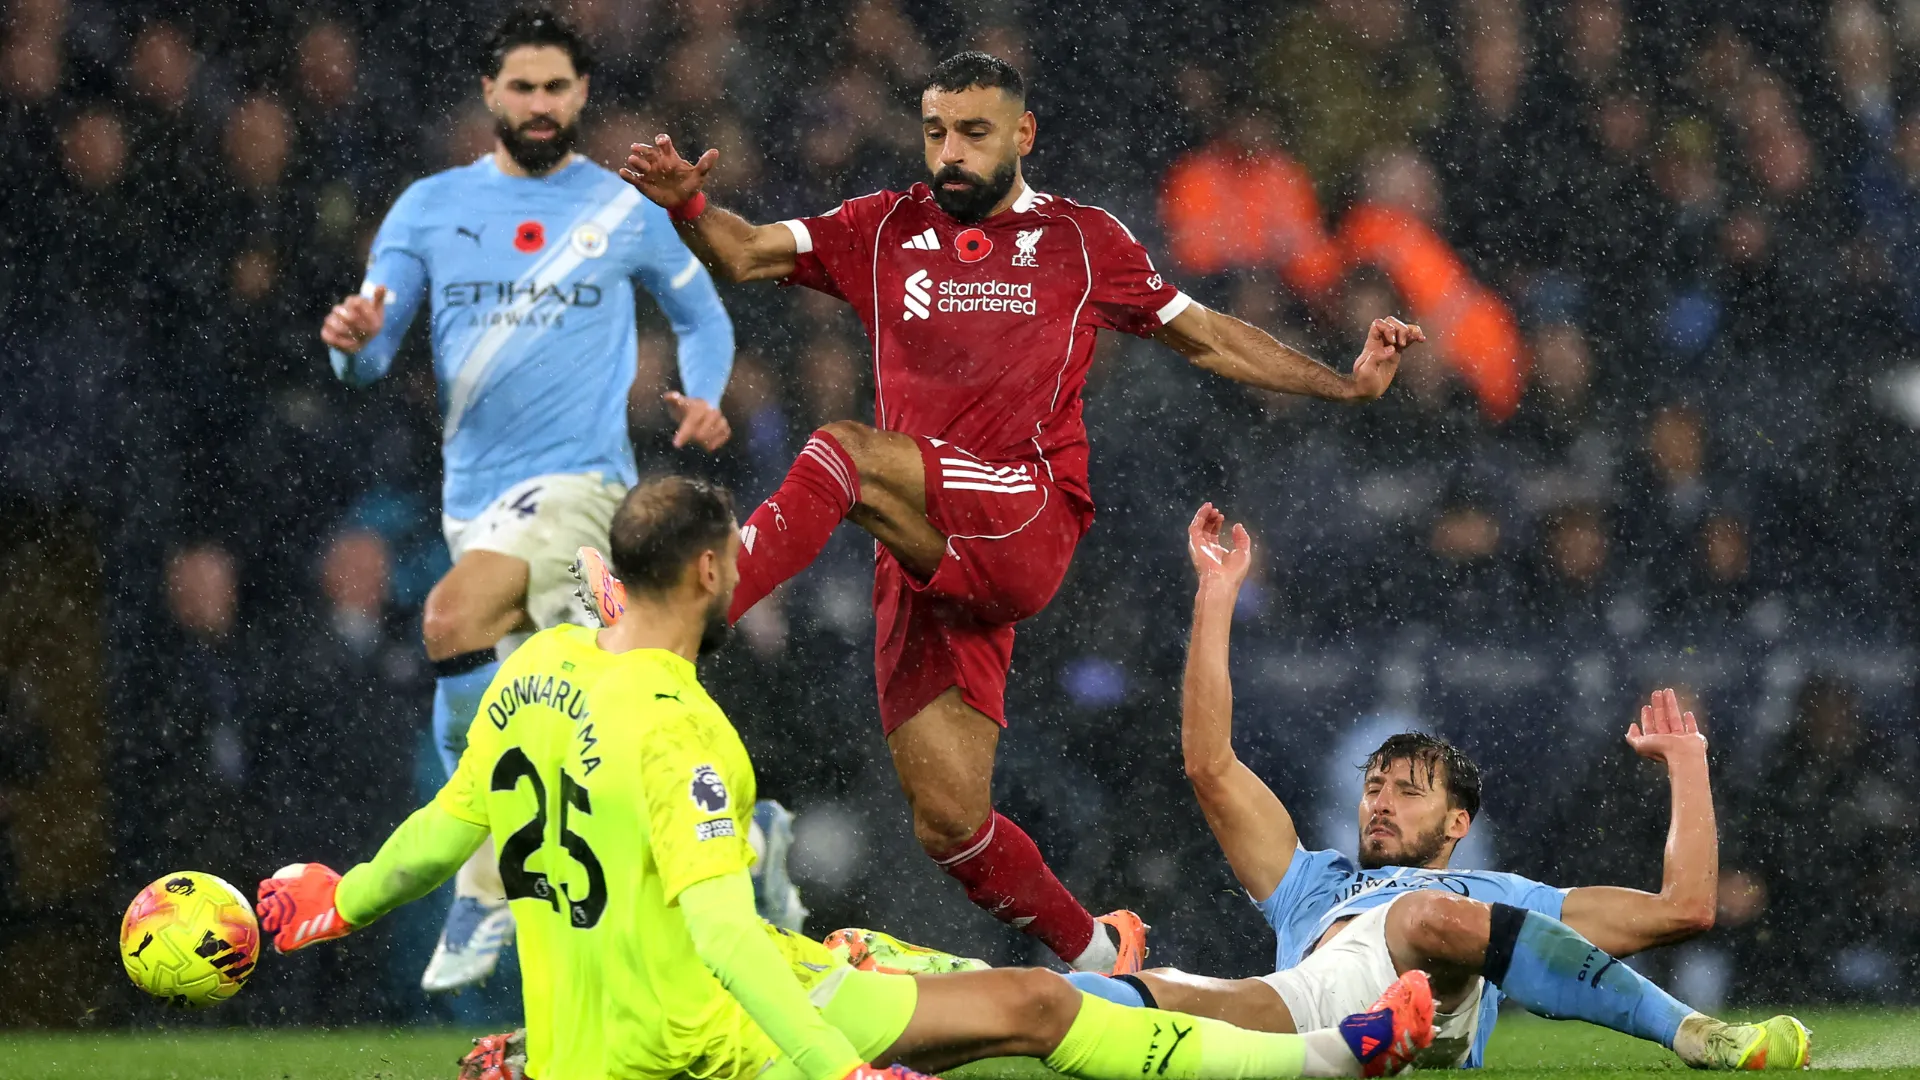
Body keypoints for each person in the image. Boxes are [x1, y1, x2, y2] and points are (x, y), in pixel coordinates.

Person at [615, 50, 1424, 973]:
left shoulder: (1082, 240)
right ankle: (1100, 953)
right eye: (934, 133)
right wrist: (685, 203)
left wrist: (1343, 385)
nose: (949, 153)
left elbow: (1205, 335)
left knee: (840, 448)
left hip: (1024, 514)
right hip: (921, 546)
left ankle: (686, 608)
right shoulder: (881, 227)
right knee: (951, 824)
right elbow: (745, 248)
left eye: (972, 132)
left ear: (1022, 134)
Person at [253, 476, 1439, 1080]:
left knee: (992, 994)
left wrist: (333, 904)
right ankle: (1334, 1049)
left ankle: (1339, 1052)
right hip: (706, 1044)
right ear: (717, 570)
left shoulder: (537, 670)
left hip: (611, 1028)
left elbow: (437, 830)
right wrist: (836, 1074)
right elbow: (722, 938)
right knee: (1002, 1010)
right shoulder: (682, 730)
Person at [1059, 506, 1810, 1071]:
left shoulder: (1506, 898)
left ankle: (1698, 1033)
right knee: (1131, 993)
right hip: (1309, 1025)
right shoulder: (1309, 884)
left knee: (1430, 916)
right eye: (1374, 786)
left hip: (1428, 1012)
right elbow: (1209, 765)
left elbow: (1687, 909)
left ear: (1457, 823)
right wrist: (1216, 598)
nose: (1381, 801)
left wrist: (1687, 766)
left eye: (1409, 791)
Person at [316, 8, 736, 991]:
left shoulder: (624, 208)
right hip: (477, 505)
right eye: (522, 86)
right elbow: (371, 354)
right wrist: (347, 344)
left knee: (450, 617)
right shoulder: (426, 208)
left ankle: (486, 875)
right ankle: (720, 876)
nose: (540, 103)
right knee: (597, 727)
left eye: (557, 87)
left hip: (586, 493)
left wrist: (706, 396)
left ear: (581, 95)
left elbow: (702, 314)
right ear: (490, 94)